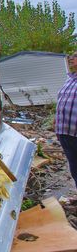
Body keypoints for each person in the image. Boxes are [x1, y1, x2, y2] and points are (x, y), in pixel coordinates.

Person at [56, 51, 77, 188]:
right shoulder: (70, 79)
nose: (71, 58)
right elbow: (62, 101)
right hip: (65, 133)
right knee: (75, 168)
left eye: (75, 56)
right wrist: (55, 122)